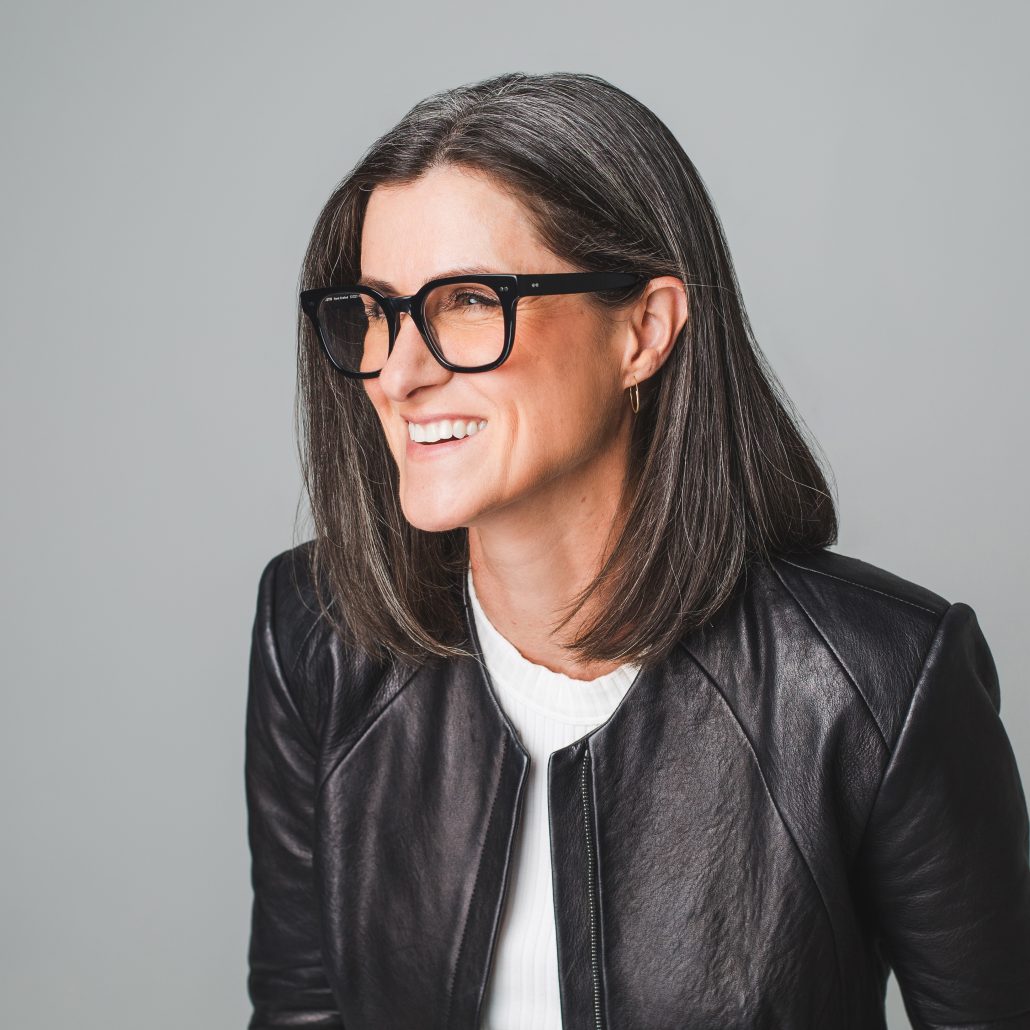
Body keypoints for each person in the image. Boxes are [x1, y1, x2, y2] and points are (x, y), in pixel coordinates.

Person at [244, 71, 1030, 1029]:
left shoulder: (876, 684)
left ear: (644, 331)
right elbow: (301, 1012)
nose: (398, 373)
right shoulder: (317, 630)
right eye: (376, 310)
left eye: (468, 302)